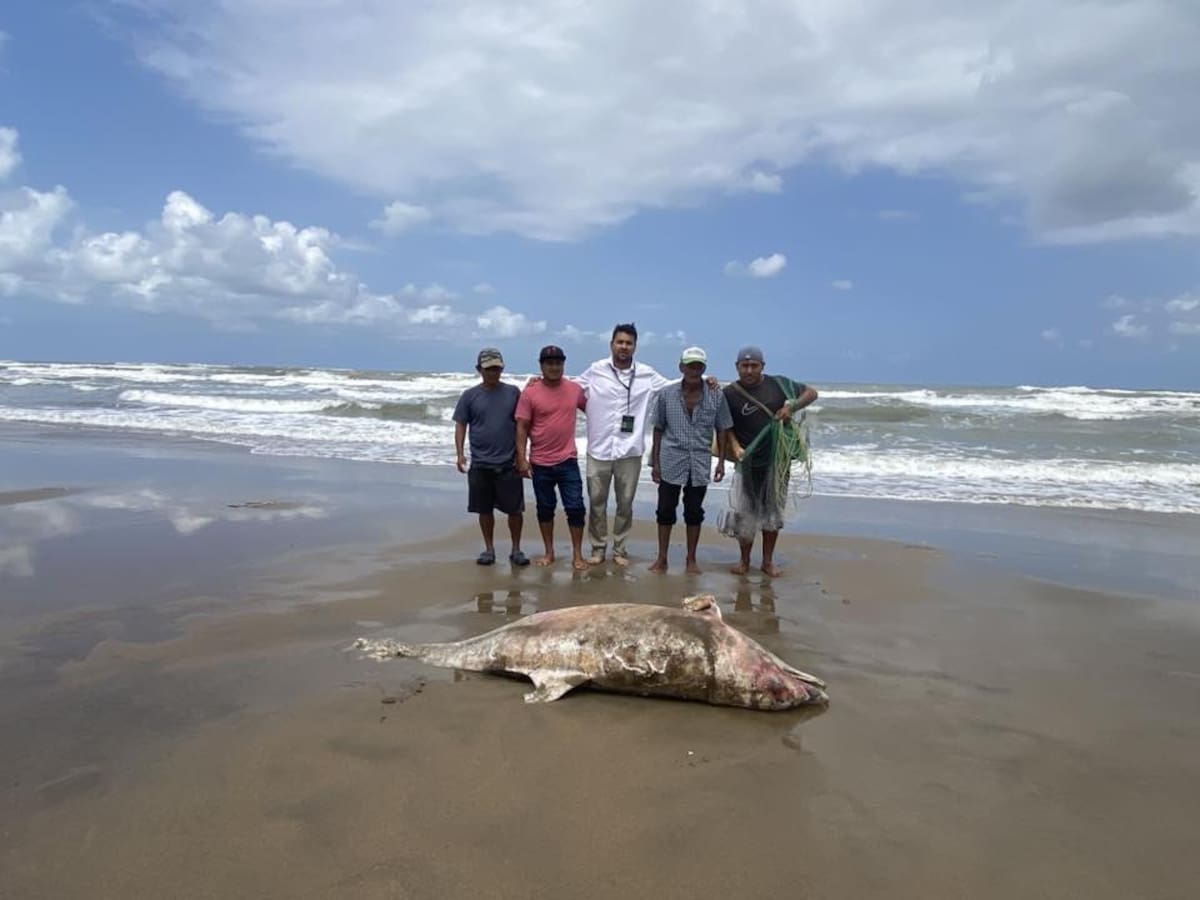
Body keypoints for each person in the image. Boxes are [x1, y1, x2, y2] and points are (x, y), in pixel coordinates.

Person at [575, 323, 678, 567]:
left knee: (625, 503)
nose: (624, 346)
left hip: (630, 451)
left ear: (635, 347)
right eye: (619, 342)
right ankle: (598, 548)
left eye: (628, 343)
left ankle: (620, 549)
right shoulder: (596, 369)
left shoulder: (646, 374)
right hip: (598, 449)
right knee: (597, 502)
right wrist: (540, 383)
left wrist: (707, 380)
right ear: (611, 344)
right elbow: (571, 389)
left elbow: (675, 387)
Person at [722, 345, 818, 577]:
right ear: (737, 367)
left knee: (772, 514)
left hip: (776, 462)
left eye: (754, 365)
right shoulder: (730, 393)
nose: (749, 370)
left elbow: (811, 393)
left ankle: (767, 562)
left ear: (762, 366)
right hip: (747, 462)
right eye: (744, 366)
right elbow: (725, 425)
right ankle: (744, 561)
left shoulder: (778, 384)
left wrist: (791, 405)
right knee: (745, 513)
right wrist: (735, 447)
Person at [648, 346, 733, 574]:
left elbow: (722, 428)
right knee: (665, 510)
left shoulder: (716, 394)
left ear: (704, 368)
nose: (694, 369)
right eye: (690, 365)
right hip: (670, 458)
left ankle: (691, 559)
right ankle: (662, 558)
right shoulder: (666, 394)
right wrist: (655, 463)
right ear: (681, 367)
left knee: (694, 511)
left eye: (698, 365)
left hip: (700, 461)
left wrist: (722, 462)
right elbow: (658, 428)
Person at [452, 347, 529, 566]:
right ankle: (489, 549)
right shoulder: (469, 396)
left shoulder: (514, 392)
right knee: (484, 510)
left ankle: (516, 549)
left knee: (515, 511)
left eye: (496, 368)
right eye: (488, 369)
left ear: (502, 368)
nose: (493, 373)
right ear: (479, 370)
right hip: (480, 464)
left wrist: (523, 456)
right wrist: (460, 454)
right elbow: (461, 425)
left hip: (509, 464)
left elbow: (523, 423)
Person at [515, 345, 589, 570]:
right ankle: (549, 552)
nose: (554, 367)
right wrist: (521, 458)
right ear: (542, 365)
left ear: (563, 364)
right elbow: (521, 427)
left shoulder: (575, 389)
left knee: (576, 508)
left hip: (568, 461)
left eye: (558, 362)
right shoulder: (530, 393)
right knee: (545, 509)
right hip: (540, 463)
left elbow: (596, 411)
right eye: (549, 363)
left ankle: (577, 554)